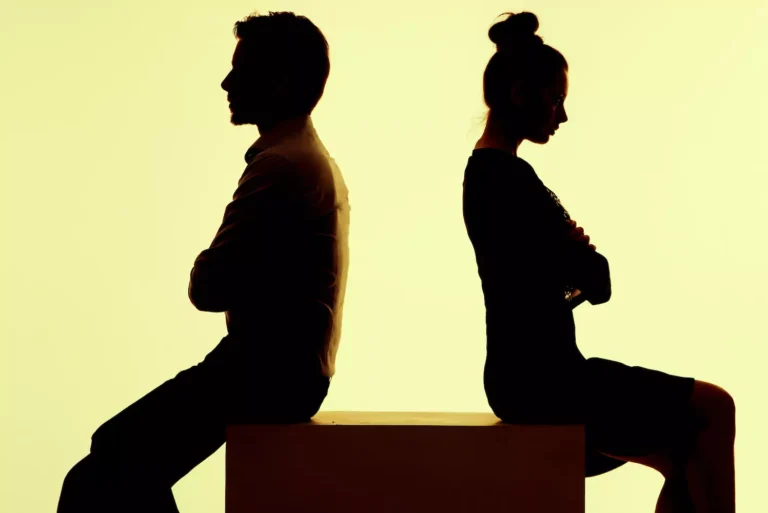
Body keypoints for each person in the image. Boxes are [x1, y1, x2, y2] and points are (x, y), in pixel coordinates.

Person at [57, 11, 350, 513]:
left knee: (112, 457)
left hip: (265, 369)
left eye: (242, 70)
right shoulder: (305, 158)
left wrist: (208, 264)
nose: (226, 82)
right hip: (281, 369)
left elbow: (207, 288)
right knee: (119, 460)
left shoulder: (281, 165)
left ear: (278, 82)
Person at [461, 11, 736, 512]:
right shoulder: (508, 181)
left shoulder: (492, 177)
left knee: (684, 454)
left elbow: (576, 280)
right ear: (521, 94)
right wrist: (576, 264)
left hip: (527, 376)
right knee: (715, 409)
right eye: (555, 100)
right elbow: (595, 278)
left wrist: (572, 269)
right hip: (548, 382)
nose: (561, 115)